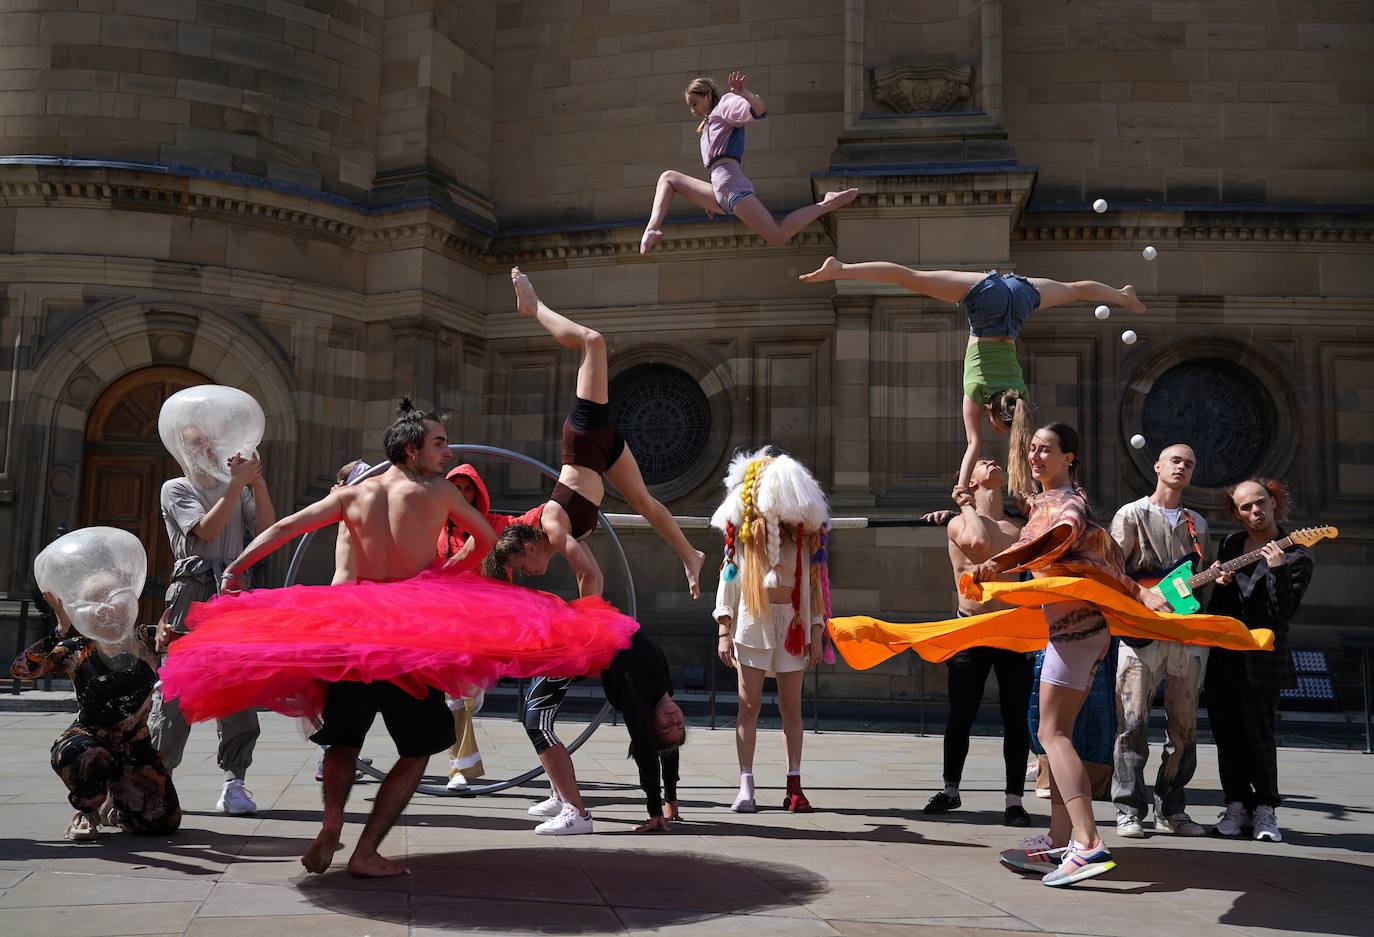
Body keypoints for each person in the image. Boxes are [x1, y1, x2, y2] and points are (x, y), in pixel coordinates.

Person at [828, 425, 1266, 885]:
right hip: (1069, 631)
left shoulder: (1066, 504)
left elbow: (1054, 538)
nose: (1036, 456)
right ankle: (1061, 836)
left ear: (1068, 457)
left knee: (1052, 735)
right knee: (1056, 737)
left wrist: (998, 563)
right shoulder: (1044, 501)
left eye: (1047, 450)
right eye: (1032, 449)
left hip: (1075, 632)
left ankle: (1088, 842)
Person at [799, 257, 1145, 500]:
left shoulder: (1020, 395)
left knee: (1074, 290)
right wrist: (961, 487)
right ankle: (840, 269)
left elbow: (1022, 444)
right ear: (993, 413)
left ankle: (1122, 296)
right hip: (987, 302)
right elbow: (973, 446)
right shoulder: (976, 390)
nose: (996, 429)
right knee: (911, 278)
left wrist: (1029, 488)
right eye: (998, 426)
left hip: (1017, 296)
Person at [507, 266, 705, 599]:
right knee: (642, 500)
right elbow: (592, 577)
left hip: (584, 441)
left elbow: (587, 574)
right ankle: (690, 555)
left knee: (592, 341)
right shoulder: (568, 536)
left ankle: (533, 305)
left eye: (521, 566)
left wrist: (587, 624)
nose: (527, 574)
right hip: (603, 451)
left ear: (527, 547)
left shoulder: (553, 527)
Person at [14, 528, 181, 842]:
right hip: (89, 738)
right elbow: (22, 670)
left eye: (110, 597)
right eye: (94, 600)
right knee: (87, 756)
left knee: (163, 822)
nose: (105, 607)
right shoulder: (75, 648)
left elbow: (192, 648)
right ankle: (86, 812)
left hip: (135, 743)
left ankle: (118, 803)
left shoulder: (146, 638)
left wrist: (169, 637)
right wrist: (59, 631)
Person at [150, 410, 274, 817]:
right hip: (194, 591)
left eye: (206, 441)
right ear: (181, 450)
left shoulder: (236, 487)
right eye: (193, 442)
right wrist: (236, 487)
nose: (203, 448)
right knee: (177, 691)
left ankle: (235, 780)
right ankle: (156, 781)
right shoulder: (176, 487)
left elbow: (270, 532)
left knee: (237, 689)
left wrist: (256, 482)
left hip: (234, 592)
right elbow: (205, 530)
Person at [711, 447, 831, 814]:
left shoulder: (804, 537)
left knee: (790, 707)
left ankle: (794, 782)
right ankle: (745, 783)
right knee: (748, 706)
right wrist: (724, 628)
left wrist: (816, 630)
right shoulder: (745, 536)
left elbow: (813, 588)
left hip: (792, 627)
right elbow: (728, 580)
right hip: (753, 624)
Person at [1109, 444, 1211, 839]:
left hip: (1185, 636)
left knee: (1184, 728)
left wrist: (1211, 580)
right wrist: (1143, 595)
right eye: (1176, 460)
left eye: (1190, 462)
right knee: (1131, 723)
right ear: (1157, 466)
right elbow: (1112, 571)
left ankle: (1171, 808)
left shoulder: (1197, 524)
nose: (1183, 466)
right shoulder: (1131, 514)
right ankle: (1128, 809)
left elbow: (1194, 579)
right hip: (1140, 634)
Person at [924, 458, 1033, 827]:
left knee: (1015, 718)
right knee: (961, 714)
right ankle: (950, 790)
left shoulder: (1020, 526)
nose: (990, 460)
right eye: (980, 461)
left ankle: (1014, 800)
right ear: (967, 482)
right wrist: (965, 505)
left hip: (1012, 629)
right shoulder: (958, 522)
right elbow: (979, 542)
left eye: (993, 459)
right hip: (971, 627)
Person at [640, 72, 857, 254]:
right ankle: (651, 229)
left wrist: (745, 94)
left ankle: (827, 203)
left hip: (732, 186)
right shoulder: (708, 125)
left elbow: (759, 111)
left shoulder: (724, 107)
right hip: (719, 190)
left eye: (694, 104)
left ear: (707, 96)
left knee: (778, 235)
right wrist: (705, 200)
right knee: (668, 178)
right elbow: (716, 164)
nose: (693, 110)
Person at [1205, 478, 1314, 844]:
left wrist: (1279, 570)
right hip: (1226, 657)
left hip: (1264, 658)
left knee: (1260, 737)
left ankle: (1265, 809)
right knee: (1227, 735)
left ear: (1274, 502)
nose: (1256, 511)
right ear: (1236, 513)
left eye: (1261, 503)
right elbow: (1220, 611)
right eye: (1247, 507)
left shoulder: (1298, 555)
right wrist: (1220, 586)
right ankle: (1236, 804)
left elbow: (1282, 611)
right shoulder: (1233, 545)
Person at [436, 463, 541, 793]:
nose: (464, 495)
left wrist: (567, 496)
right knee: (458, 697)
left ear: (478, 494)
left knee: (470, 696)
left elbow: (531, 521)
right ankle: (459, 767)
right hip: (449, 625)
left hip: (488, 628)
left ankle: (459, 756)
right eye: (458, 488)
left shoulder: (495, 525)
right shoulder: (435, 529)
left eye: (470, 489)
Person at [601, 631, 687, 832]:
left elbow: (645, 749)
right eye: (680, 725)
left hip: (593, 635)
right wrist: (671, 799)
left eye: (666, 726)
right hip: (613, 624)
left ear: (650, 725)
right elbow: (670, 752)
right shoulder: (664, 690)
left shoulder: (637, 702)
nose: (674, 720)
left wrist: (654, 810)